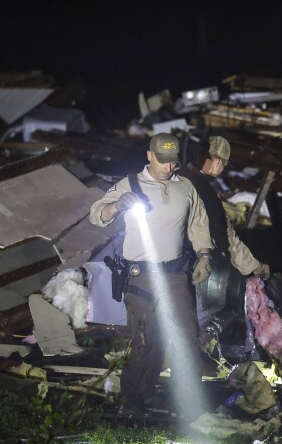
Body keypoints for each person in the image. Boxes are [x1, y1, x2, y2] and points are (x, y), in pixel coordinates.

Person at [89, 132, 213, 422]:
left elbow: (198, 222)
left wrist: (205, 255)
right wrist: (117, 206)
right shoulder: (130, 184)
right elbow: (97, 215)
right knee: (146, 342)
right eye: (162, 162)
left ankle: (188, 404)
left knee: (186, 337)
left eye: (172, 163)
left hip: (175, 275)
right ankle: (133, 400)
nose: (168, 168)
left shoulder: (185, 187)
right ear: (149, 155)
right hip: (141, 277)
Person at [175, 135, 270, 281]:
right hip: (186, 264)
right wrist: (254, 266)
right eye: (225, 165)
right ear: (218, 162)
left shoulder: (176, 174)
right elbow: (224, 234)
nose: (223, 169)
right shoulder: (204, 191)